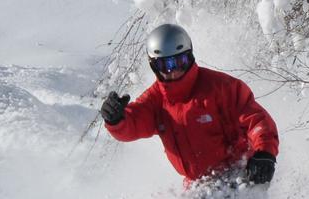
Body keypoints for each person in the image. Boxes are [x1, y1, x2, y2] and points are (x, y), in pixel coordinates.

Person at [100, 23, 278, 186]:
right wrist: (116, 120)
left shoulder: (221, 88)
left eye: (180, 61)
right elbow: (134, 121)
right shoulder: (156, 101)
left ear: (190, 56)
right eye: (165, 65)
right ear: (154, 66)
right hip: (197, 185)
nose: (174, 71)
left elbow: (256, 119)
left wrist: (264, 153)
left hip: (239, 173)